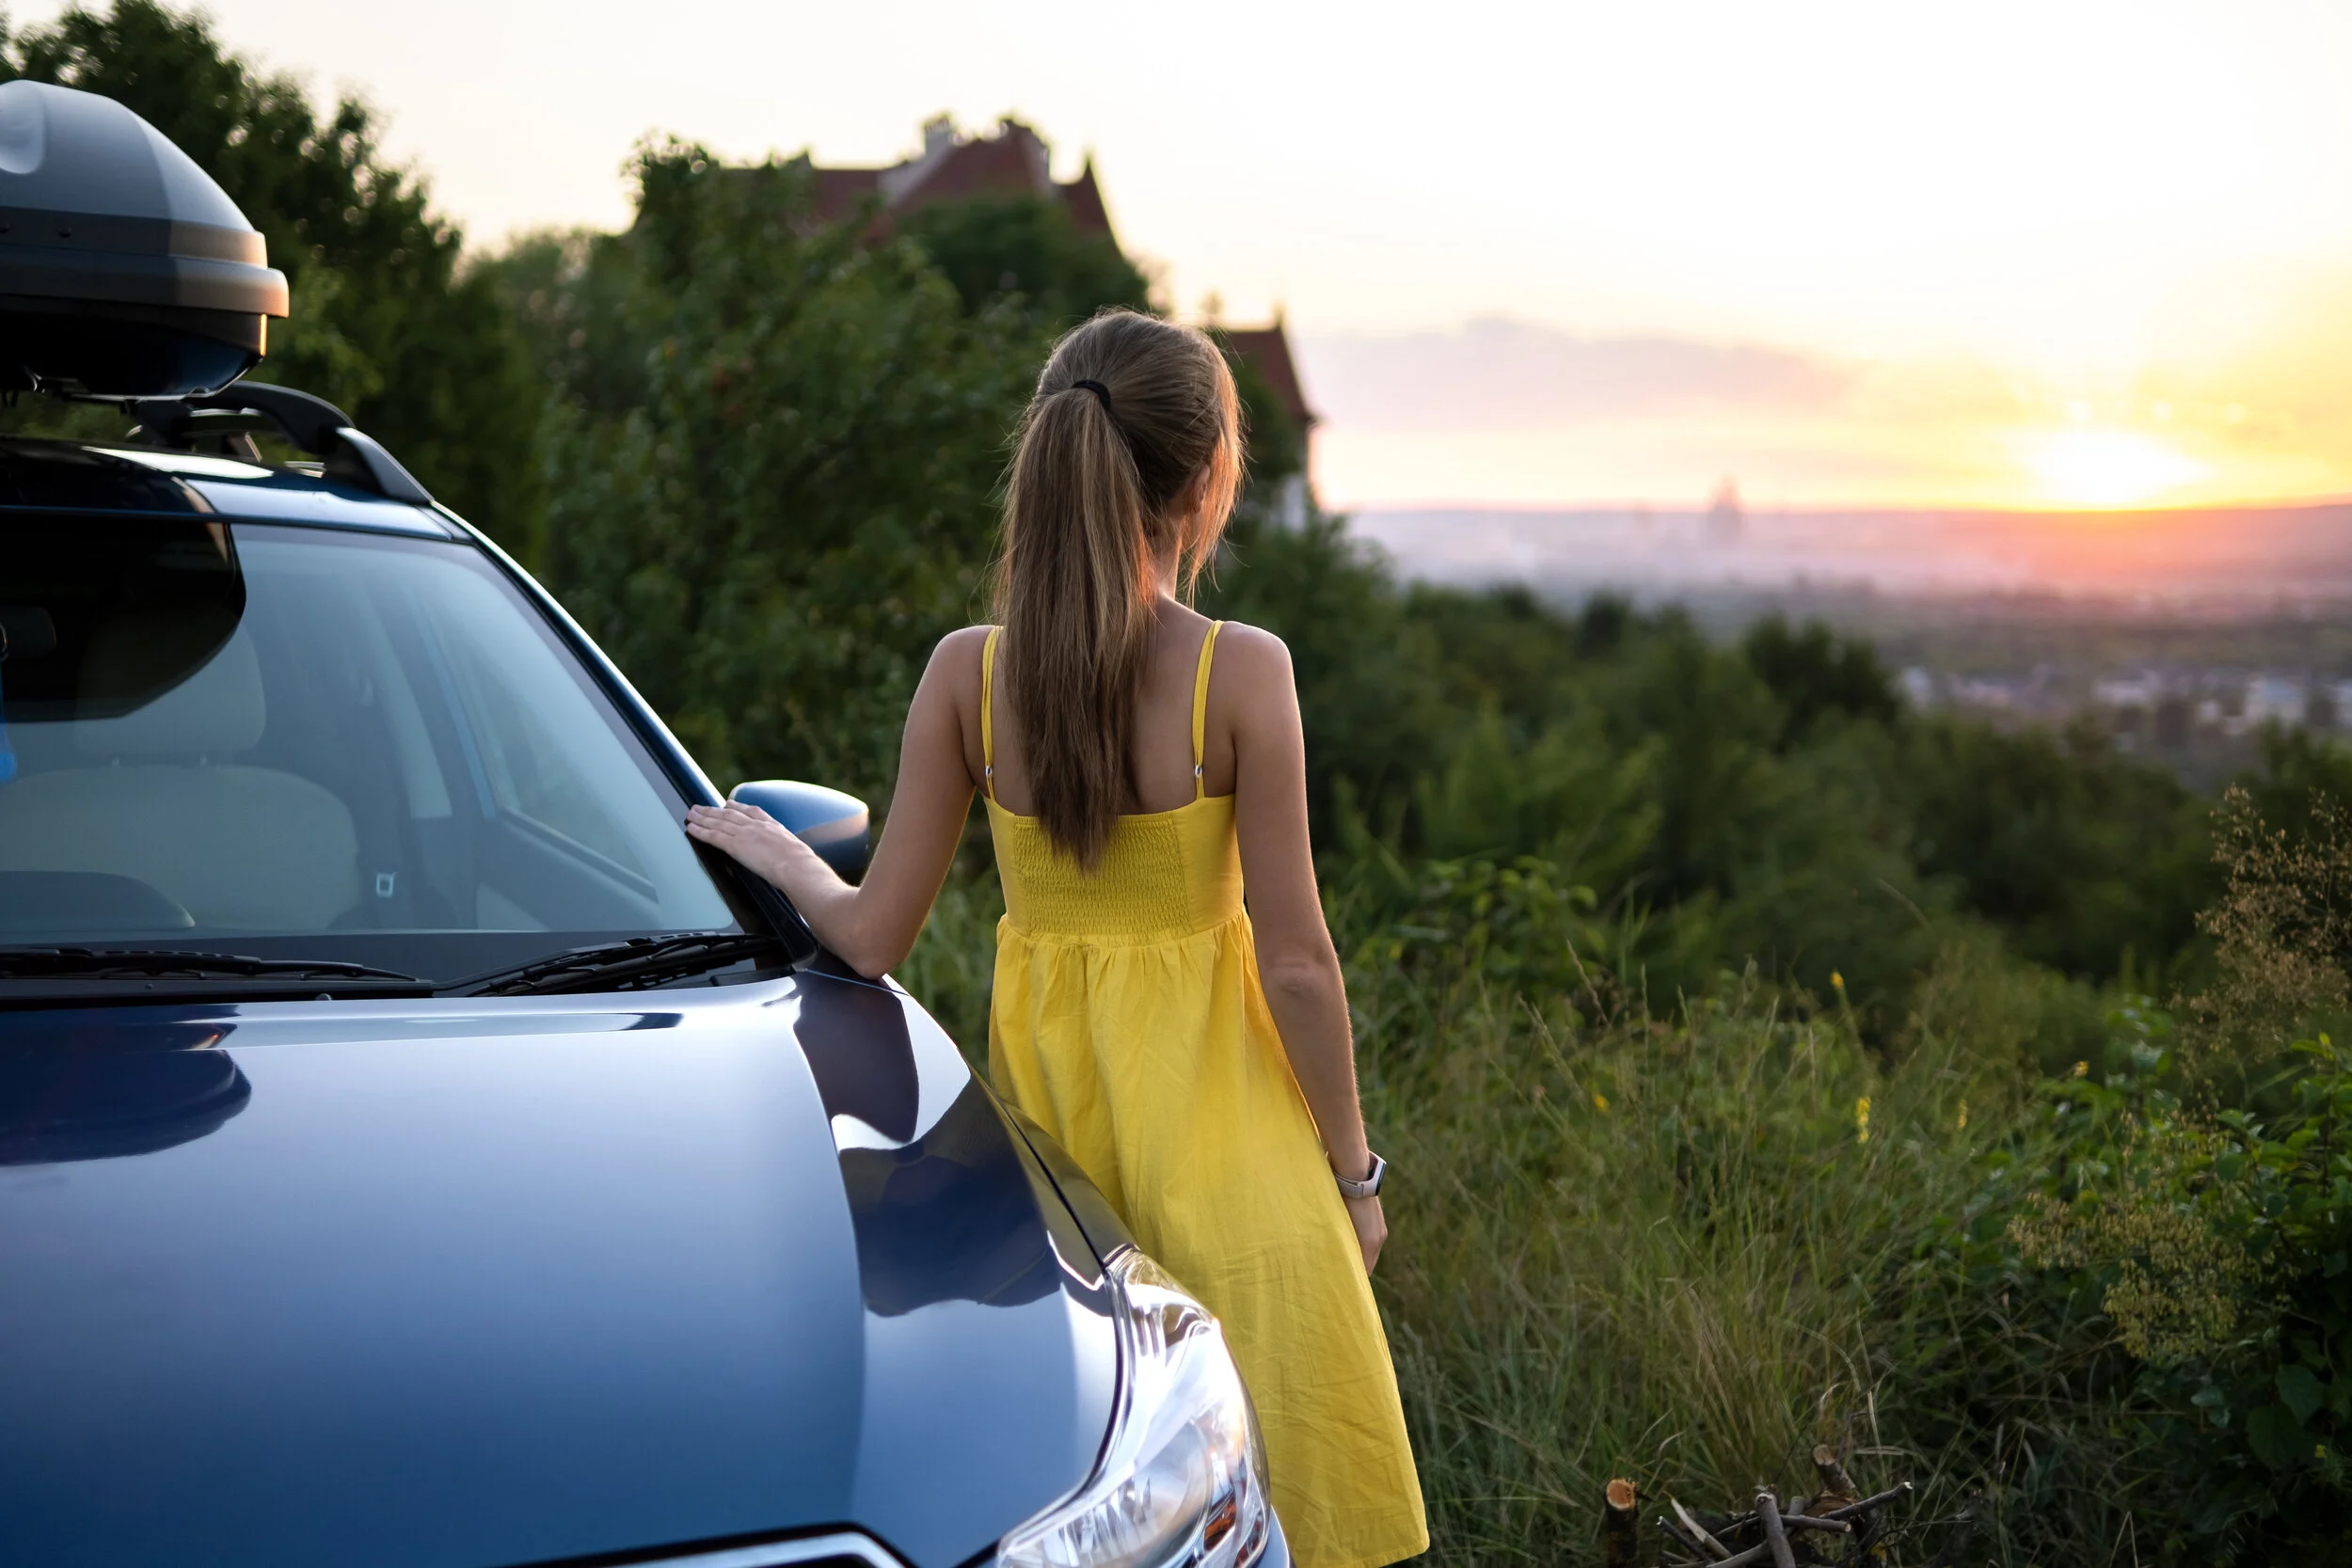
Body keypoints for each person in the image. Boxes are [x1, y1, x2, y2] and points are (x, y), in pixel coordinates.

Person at [686, 308, 1427, 1568]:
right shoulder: (1241, 674)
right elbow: (1299, 963)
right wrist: (1354, 1179)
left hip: (1056, 1186)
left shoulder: (967, 679)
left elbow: (869, 940)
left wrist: (782, 849)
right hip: (1239, 1173)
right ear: (1198, 485)